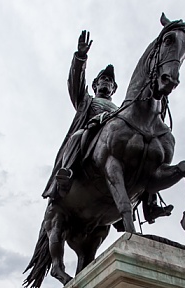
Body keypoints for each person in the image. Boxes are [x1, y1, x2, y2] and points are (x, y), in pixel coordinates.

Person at [42, 30, 118, 200]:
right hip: (88, 136)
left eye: (110, 81)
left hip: (112, 142)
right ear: (95, 84)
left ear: (114, 88)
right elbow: (75, 82)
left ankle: (149, 202)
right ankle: (67, 173)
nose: (107, 81)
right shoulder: (86, 100)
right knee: (77, 136)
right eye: (103, 79)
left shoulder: (119, 108)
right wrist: (80, 58)